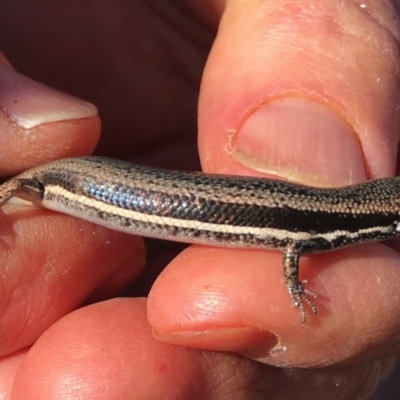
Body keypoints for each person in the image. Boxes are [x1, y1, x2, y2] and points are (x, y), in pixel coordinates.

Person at [0, 1, 399, 398]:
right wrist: (294, 291)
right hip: (69, 182)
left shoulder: (330, 226)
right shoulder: (320, 230)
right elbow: (292, 251)